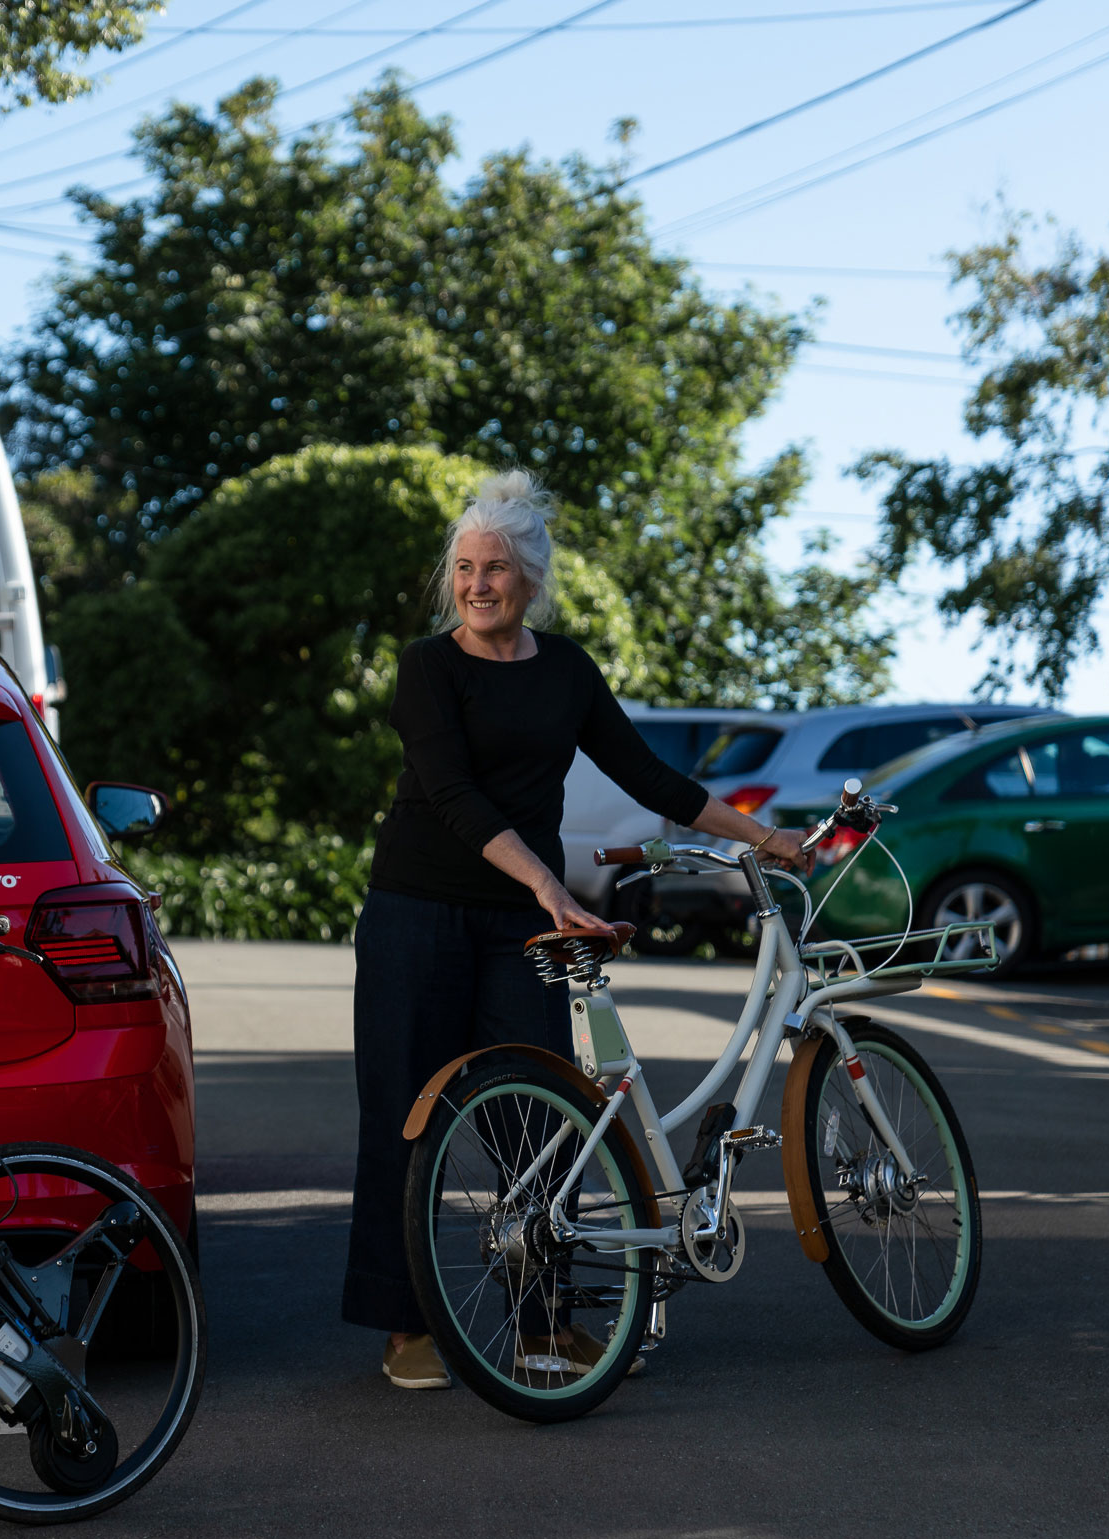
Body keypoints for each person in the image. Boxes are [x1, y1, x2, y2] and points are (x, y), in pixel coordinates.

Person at [343, 470, 804, 1390]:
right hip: (416, 916)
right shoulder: (426, 668)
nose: (478, 584)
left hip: (519, 922)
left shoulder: (566, 673)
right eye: (465, 568)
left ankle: (544, 1324)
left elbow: (650, 777)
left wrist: (763, 834)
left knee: (544, 1124)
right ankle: (406, 1330)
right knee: (404, 1122)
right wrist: (550, 884)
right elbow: (453, 796)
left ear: (532, 580)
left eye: (498, 569)